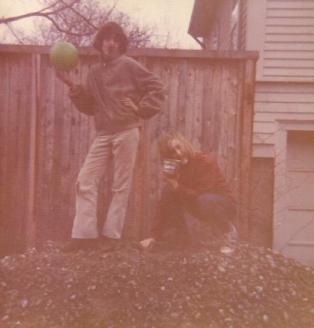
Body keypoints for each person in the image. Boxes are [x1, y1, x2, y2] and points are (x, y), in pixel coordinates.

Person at [56, 22, 166, 252]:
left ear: (121, 44)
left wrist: (140, 108)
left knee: (120, 186)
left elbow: (157, 87)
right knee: (85, 181)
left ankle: (111, 237)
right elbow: (89, 106)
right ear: (101, 42)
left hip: (127, 130)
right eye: (107, 38)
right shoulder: (94, 73)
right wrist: (71, 84)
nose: (111, 43)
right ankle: (84, 236)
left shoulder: (129, 65)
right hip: (104, 133)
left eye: (116, 40)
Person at [140, 132, 238, 250]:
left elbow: (201, 193)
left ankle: (228, 232)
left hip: (223, 204)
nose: (178, 153)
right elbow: (163, 204)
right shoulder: (177, 168)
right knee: (168, 192)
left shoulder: (204, 161)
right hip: (199, 203)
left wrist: (177, 186)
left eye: (178, 147)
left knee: (203, 199)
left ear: (184, 144)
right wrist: (154, 236)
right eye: (172, 152)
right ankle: (182, 239)